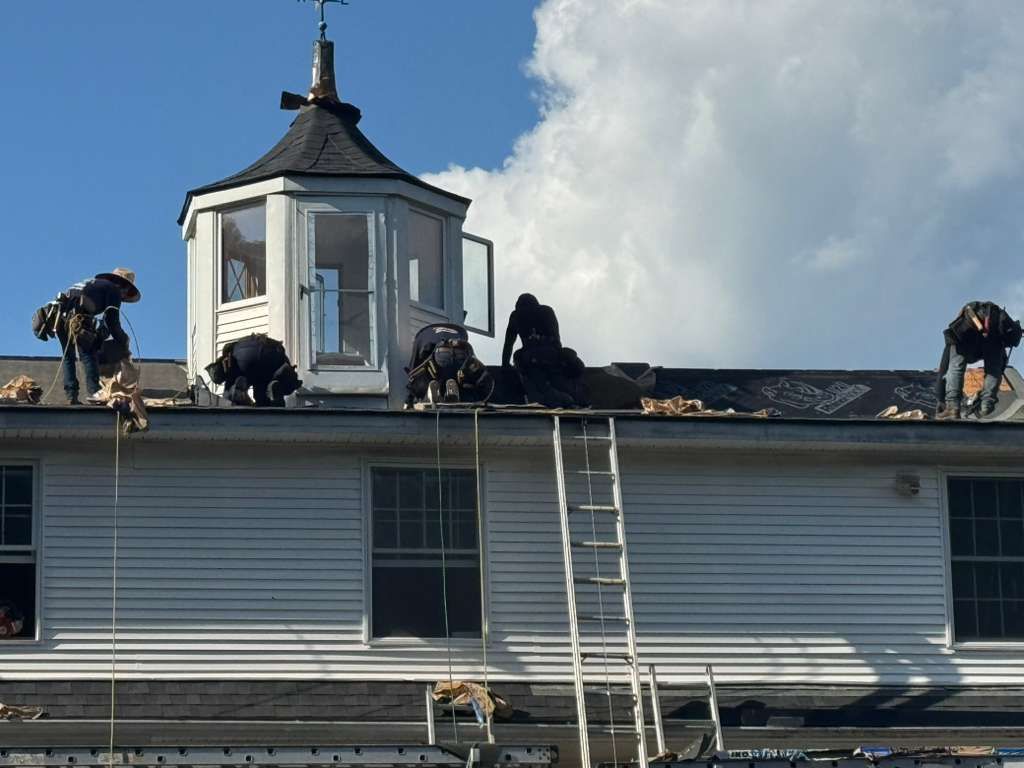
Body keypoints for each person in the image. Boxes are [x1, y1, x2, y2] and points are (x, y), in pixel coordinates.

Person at [56, 268, 141, 405]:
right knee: (88, 354)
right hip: (77, 317)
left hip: (59, 315)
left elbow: (105, 321)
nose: (124, 295)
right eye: (126, 291)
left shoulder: (95, 283)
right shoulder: (114, 290)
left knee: (68, 355)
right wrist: (123, 340)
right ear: (122, 285)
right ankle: (95, 393)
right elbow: (112, 321)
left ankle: (71, 394)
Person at [935, 301, 1022, 420]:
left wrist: (941, 399)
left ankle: (952, 408)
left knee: (956, 366)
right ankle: (986, 406)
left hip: (972, 328)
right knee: (993, 370)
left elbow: (945, 369)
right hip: (993, 330)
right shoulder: (997, 329)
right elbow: (995, 370)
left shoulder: (961, 331)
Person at [501, 293, 587, 408]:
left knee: (542, 388)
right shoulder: (546, 311)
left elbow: (508, 343)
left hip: (532, 359)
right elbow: (556, 339)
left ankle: (563, 400)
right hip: (550, 356)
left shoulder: (516, 315)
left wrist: (505, 364)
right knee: (557, 383)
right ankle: (573, 401)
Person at [205, 334, 302, 407]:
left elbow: (226, 398)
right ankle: (274, 389)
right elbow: (287, 372)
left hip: (244, 358)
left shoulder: (230, 355)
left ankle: (236, 390)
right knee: (264, 396)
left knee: (231, 392)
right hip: (273, 355)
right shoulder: (280, 355)